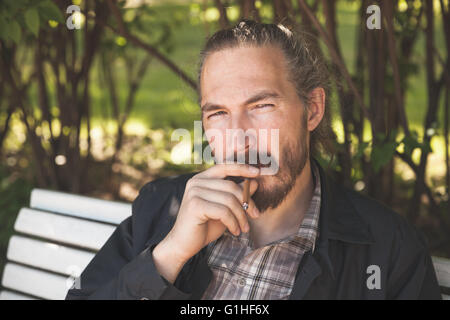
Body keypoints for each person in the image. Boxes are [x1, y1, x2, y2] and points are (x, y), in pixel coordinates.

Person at [66, 19, 441, 300]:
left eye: (261, 105)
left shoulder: (388, 250)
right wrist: (168, 257)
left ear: (312, 109)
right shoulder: (162, 208)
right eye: (218, 114)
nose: (239, 136)